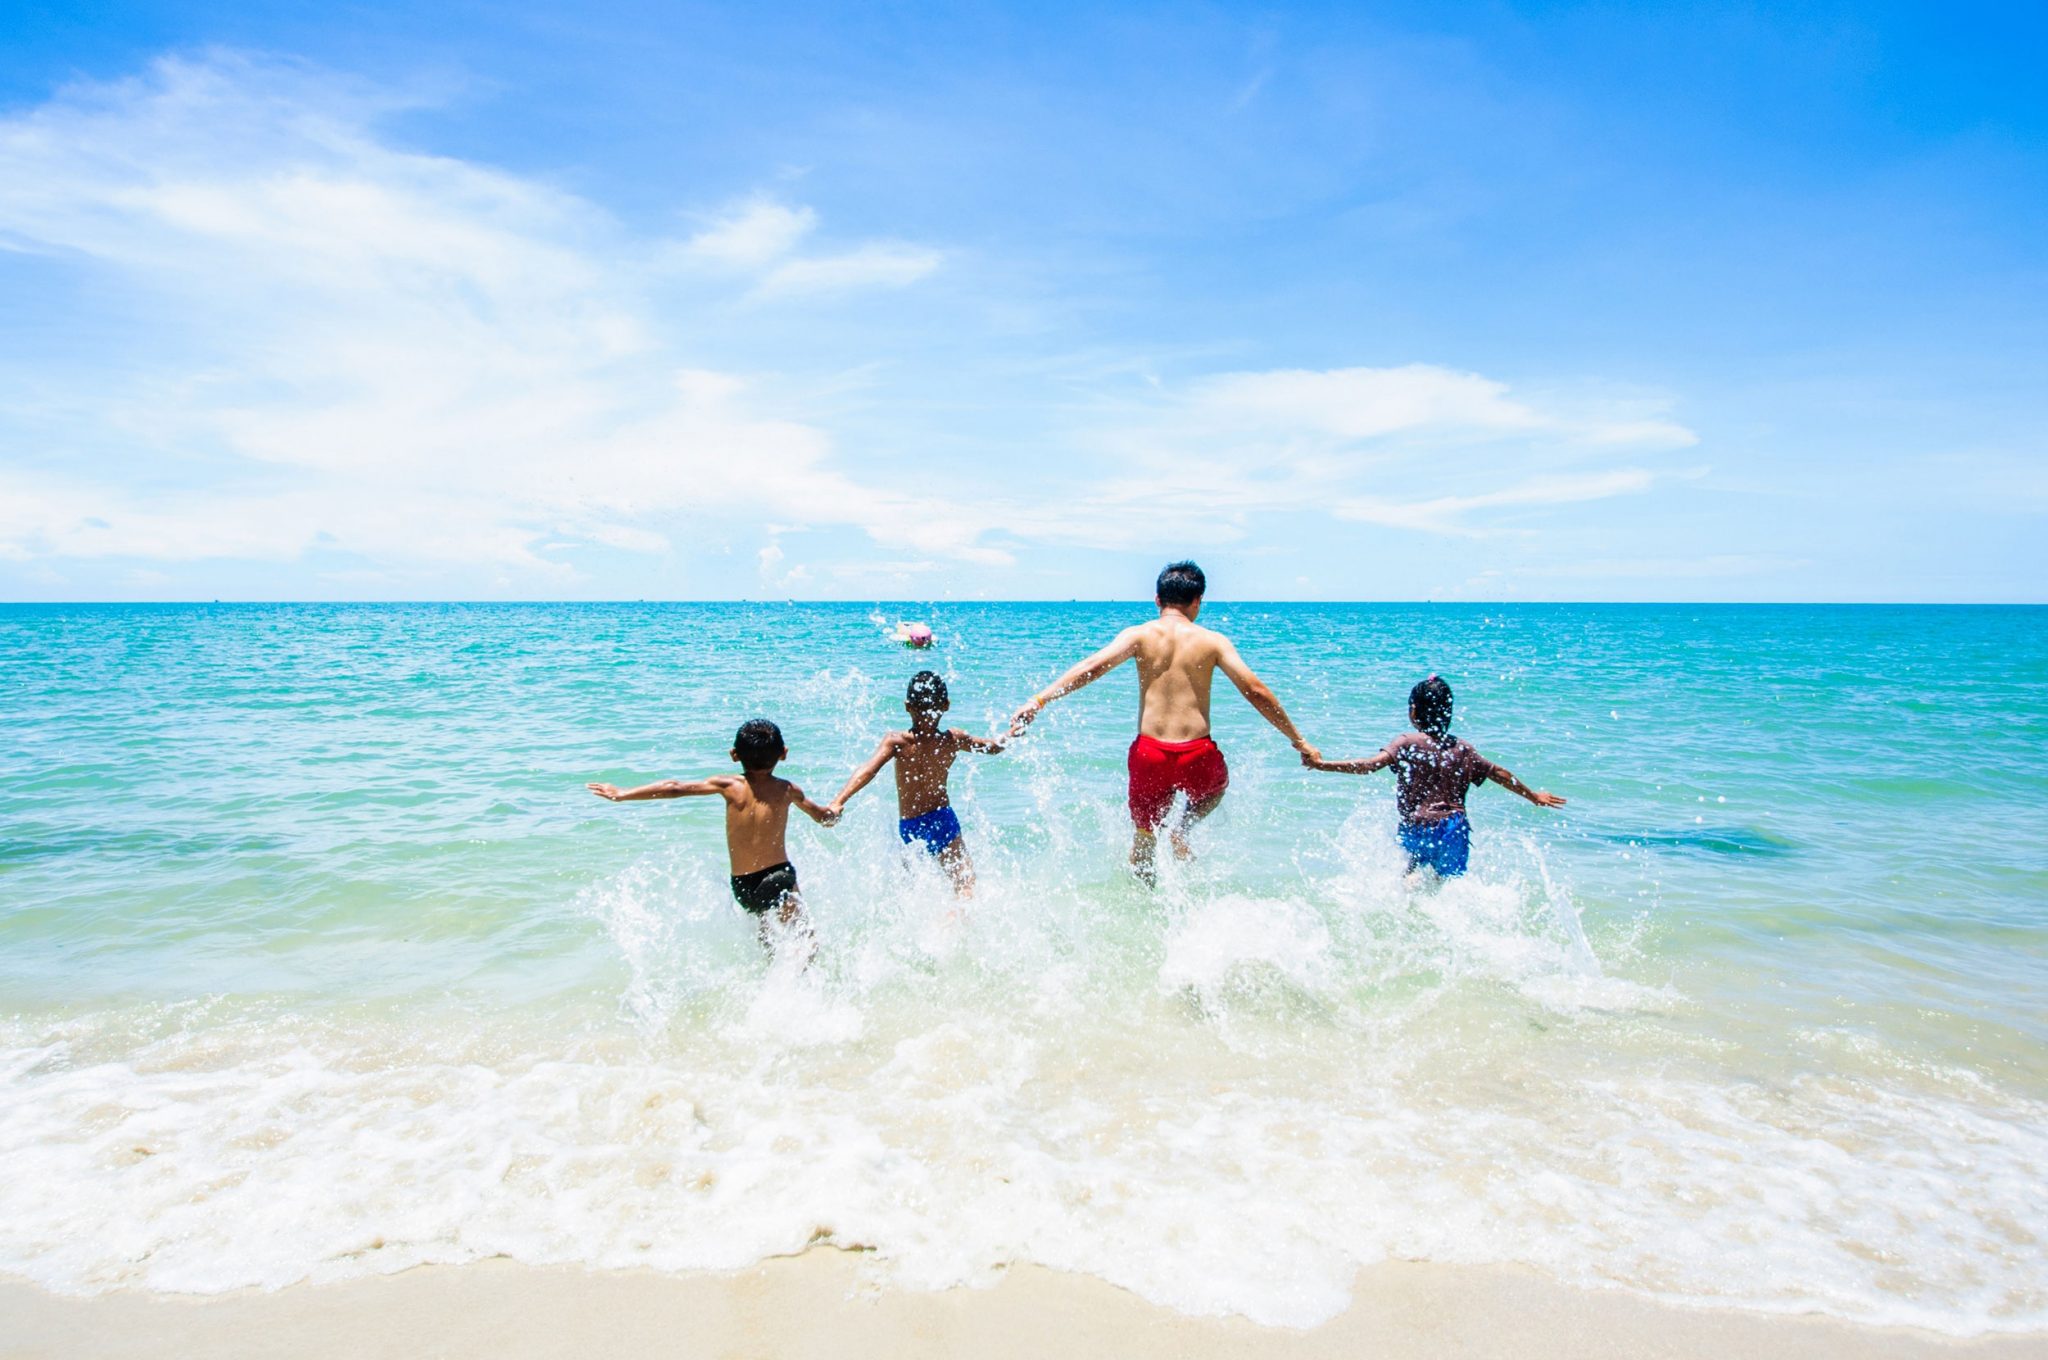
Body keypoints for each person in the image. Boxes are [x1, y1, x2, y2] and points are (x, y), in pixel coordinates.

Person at [1009, 560, 1321, 883]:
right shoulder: (1213, 641)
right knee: (1215, 791)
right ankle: (1181, 832)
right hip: (1197, 755)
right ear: (1198, 601)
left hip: (1149, 756)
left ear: (1157, 600)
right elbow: (1255, 691)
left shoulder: (1139, 635)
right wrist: (1299, 741)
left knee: (1143, 839)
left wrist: (1039, 700)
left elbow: (1092, 666)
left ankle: (1143, 913)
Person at [586, 718, 838, 949]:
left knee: (767, 935)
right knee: (806, 941)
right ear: (784, 754)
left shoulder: (728, 786)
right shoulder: (787, 790)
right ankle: (801, 986)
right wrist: (834, 811)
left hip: (742, 887)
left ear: (734, 755)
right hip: (776, 878)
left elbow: (673, 788)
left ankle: (770, 985)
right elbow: (822, 818)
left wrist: (622, 793)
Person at [1303, 675, 1566, 879]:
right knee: (1444, 884)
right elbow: (1499, 773)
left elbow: (1369, 766)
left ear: (1413, 712)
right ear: (1448, 713)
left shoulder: (1406, 742)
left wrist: (1322, 764)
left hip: (1417, 826)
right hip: (1455, 828)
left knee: (1411, 876)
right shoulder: (1463, 749)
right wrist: (1533, 796)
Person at [827, 671, 1005, 898]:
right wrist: (1013, 732)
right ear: (946, 705)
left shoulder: (897, 742)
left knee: (910, 893)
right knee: (964, 884)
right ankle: (955, 925)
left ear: (907, 706)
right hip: (943, 820)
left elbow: (868, 770)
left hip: (911, 827)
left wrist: (839, 801)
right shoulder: (952, 740)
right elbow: (993, 747)